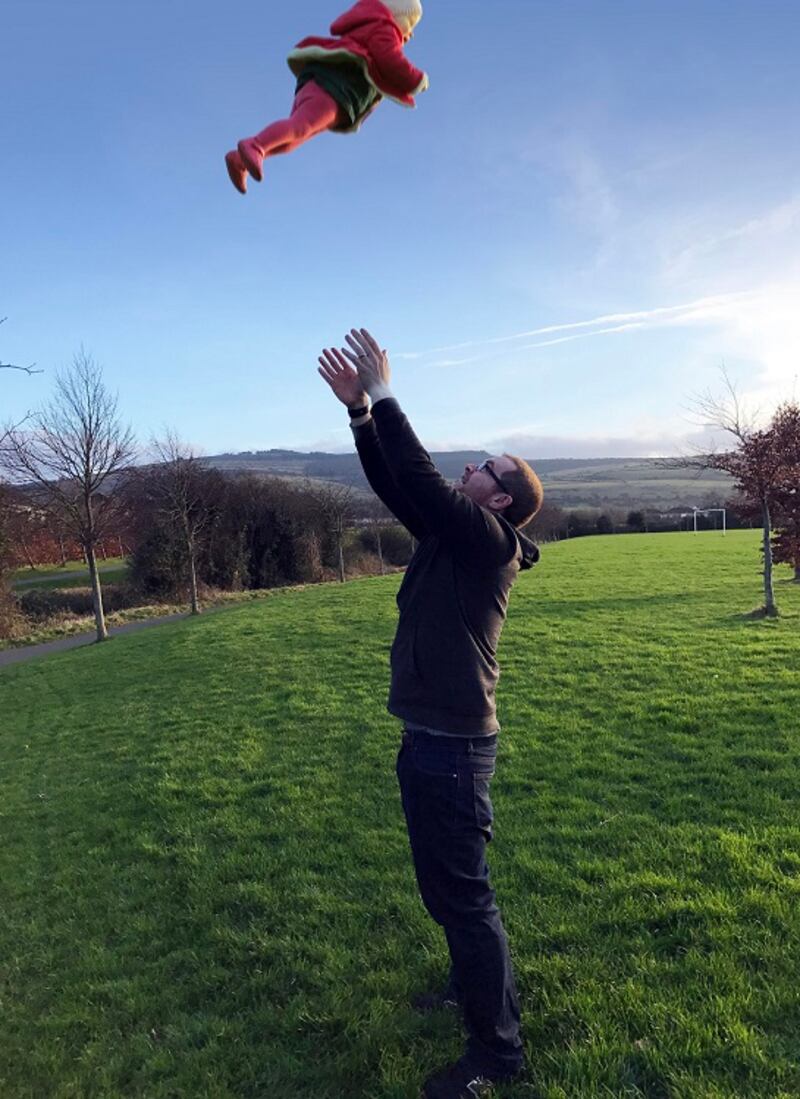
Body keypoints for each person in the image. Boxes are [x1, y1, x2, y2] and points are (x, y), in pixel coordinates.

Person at [318, 329, 544, 1099]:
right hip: (431, 739)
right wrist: (358, 417)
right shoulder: (453, 533)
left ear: (502, 498)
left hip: (453, 746)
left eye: (487, 467)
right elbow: (399, 486)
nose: (472, 466)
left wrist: (386, 394)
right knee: (445, 888)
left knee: (465, 894)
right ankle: (465, 986)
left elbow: (420, 472)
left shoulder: (488, 542)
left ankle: (497, 1052)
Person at [225, 0, 428, 194]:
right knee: (300, 127)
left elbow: (380, 52)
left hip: (323, 84)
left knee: (294, 138)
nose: (409, 33)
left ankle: (240, 160)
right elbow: (390, 60)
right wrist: (418, 80)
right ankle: (255, 145)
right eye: (410, 25)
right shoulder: (383, 28)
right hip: (333, 88)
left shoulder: (372, 26)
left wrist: (400, 37)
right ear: (399, 16)